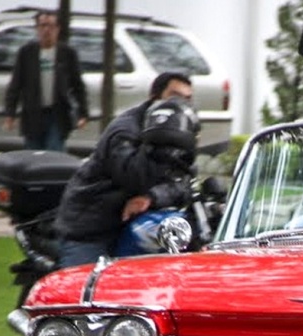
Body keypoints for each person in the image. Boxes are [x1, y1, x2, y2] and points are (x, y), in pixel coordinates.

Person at [54, 72, 198, 269]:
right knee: (85, 283)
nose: (180, 103)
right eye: (174, 96)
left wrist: (152, 197)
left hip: (132, 223)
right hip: (92, 226)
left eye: (187, 98)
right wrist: (160, 146)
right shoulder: (125, 130)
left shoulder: (179, 132)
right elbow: (132, 176)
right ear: (154, 97)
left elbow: (184, 180)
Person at [3, 10, 88, 151]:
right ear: (37, 28)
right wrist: (10, 113)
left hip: (57, 114)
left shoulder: (67, 53)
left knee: (54, 153)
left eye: (51, 26)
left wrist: (83, 113)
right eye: (43, 26)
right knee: (33, 155)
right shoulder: (26, 53)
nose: (47, 30)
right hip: (33, 114)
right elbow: (16, 84)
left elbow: (77, 85)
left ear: (57, 29)